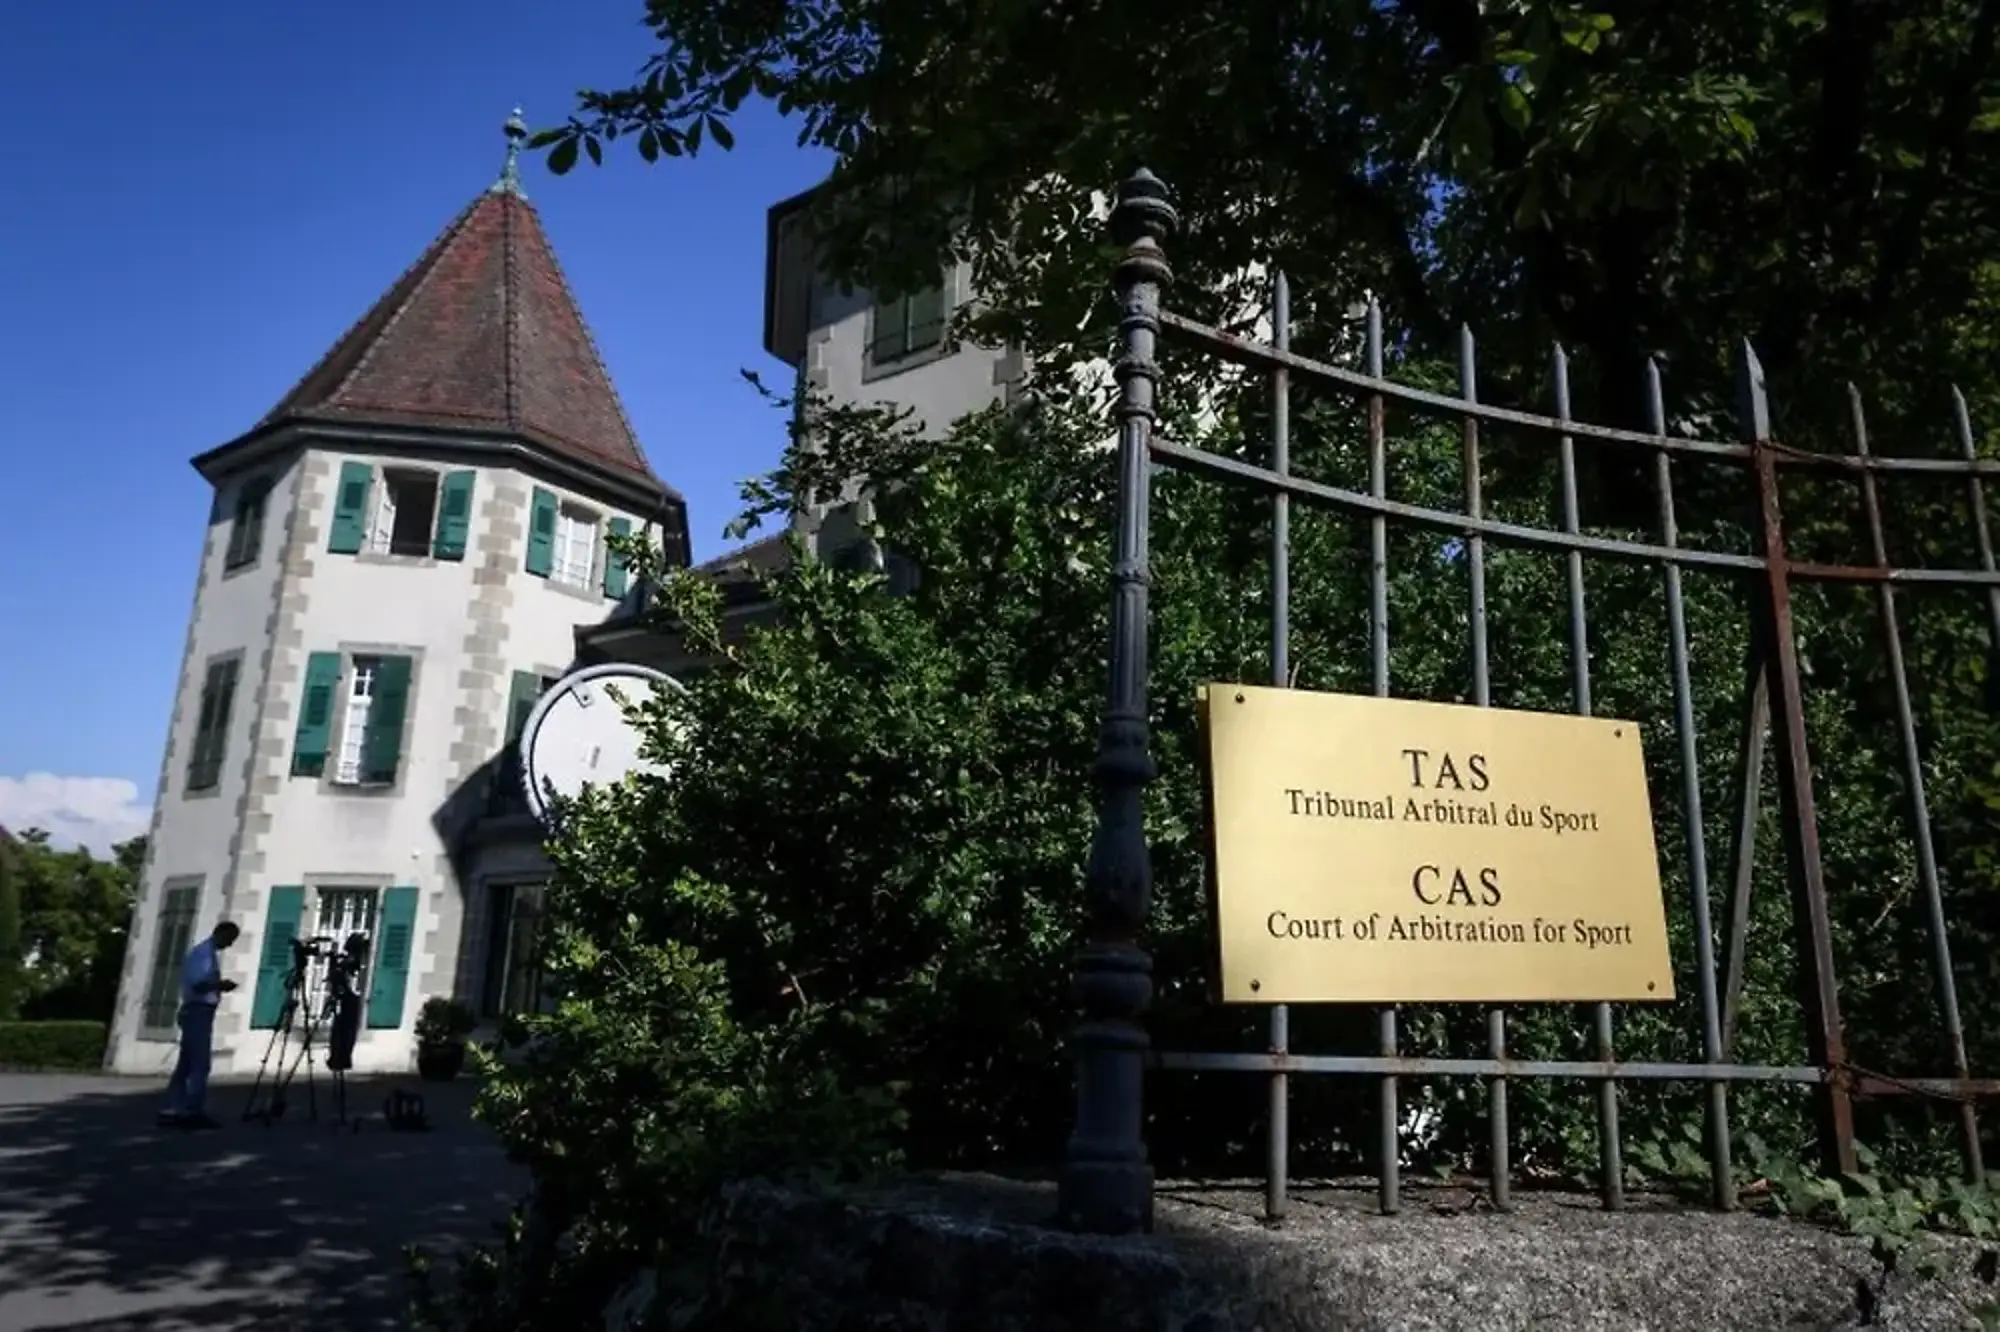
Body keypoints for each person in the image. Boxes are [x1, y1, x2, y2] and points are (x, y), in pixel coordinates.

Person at [158, 920, 240, 1129]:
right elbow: (199, 983)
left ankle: (173, 1108)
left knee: (186, 1063)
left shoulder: (206, 953)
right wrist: (221, 984)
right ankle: (192, 1111)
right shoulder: (203, 954)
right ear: (220, 933)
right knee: (199, 1063)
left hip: (197, 1010)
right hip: (198, 1010)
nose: (229, 945)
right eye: (229, 939)